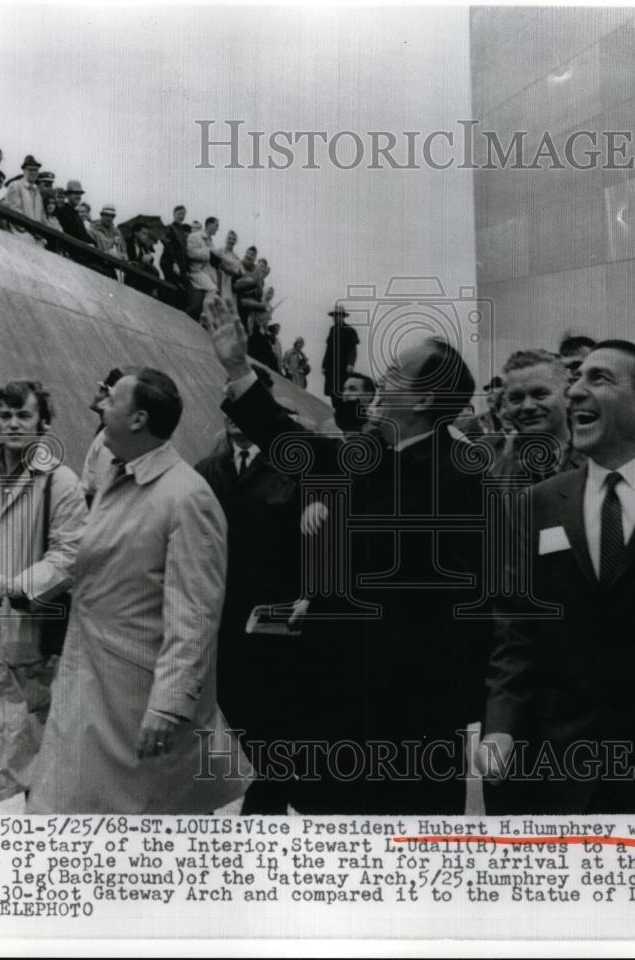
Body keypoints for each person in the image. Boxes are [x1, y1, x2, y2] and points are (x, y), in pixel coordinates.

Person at [205, 296, 489, 814]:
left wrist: (330, 602)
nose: (380, 380)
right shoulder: (375, 454)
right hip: (343, 702)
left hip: (406, 723)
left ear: (424, 400)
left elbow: (430, 597)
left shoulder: (459, 477)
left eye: (396, 374)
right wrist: (238, 368)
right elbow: (295, 447)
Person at [477, 340, 635, 814]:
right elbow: (517, 628)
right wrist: (500, 726)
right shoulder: (533, 502)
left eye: (597, 379)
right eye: (576, 381)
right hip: (558, 758)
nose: (575, 392)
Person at [28, 368, 248, 813]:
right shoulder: (114, 468)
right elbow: (88, 552)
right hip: (92, 682)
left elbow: (195, 616)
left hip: (138, 702)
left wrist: (169, 706)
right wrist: (27, 585)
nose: (99, 406)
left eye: (111, 400)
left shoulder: (188, 498)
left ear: (138, 419)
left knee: (137, 823)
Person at [0, 380, 87, 809]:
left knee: (34, 743)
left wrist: (19, 583)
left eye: (23, 416)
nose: (13, 424)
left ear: (42, 423)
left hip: (29, 631)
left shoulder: (61, 482)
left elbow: (70, 554)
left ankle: (35, 834)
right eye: (6, 416)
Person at [195, 411, 303, 813]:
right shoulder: (205, 472)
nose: (235, 417)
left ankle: (263, 829)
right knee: (212, 734)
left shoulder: (291, 471)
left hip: (272, 634)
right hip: (217, 627)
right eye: (227, 409)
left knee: (269, 741)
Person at [491, 350, 585, 481]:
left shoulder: (600, 459)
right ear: (506, 404)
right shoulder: (496, 473)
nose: (528, 406)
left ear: (567, 395)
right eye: (516, 398)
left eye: (540, 394)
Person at [79, 368, 122, 507]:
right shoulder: (105, 428)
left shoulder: (108, 438)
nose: (97, 394)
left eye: (101, 389)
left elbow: (100, 492)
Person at [322, 307, 359, 409]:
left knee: (342, 391)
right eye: (334, 316)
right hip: (331, 366)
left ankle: (343, 414)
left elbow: (353, 350)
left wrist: (351, 364)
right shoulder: (332, 330)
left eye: (338, 316)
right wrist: (324, 365)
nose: (335, 318)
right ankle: (335, 411)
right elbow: (328, 349)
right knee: (332, 391)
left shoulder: (350, 331)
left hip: (343, 367)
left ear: (343, 317)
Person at [185, 216, 220, 319]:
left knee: (215, 291)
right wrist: (207, 252)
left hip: (205, 273)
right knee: (212, 289)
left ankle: (206, 316)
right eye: (216, 225)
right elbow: (190, 253)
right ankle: (205, 317)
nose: (217, 228)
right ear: (209, 224)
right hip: (195, 271)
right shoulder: (195, 236)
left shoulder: (211, 242)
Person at [455, 376, 506, 447]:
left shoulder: (514, 420)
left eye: (493, 393)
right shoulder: (476, 420)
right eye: (488, 393)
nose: (489, 396)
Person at [160, 205, 192, 308]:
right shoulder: (170, 228)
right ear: (174, 214)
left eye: (183, 214)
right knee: (172, 286)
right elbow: (167, 244)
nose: (181, 216)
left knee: (183, 289)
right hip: (169, 261)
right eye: (179, 214)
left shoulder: (182, 231)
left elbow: (184, 251)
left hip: (180, 264)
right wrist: (173, 262)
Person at [2, 155, 46, 223]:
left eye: (36, 170)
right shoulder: (15, 186)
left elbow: (42, 216)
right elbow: (14, 211)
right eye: (30, 170)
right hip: (19, 230)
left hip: (35, 231)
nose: (33, 172)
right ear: (24, 170)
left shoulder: (37, 193)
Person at [55, 180, 95, 246]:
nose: (78, 196)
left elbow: (84, 234)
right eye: (75, 194)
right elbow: (72, 233)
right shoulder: (62, 211)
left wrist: (94, 243)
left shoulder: (76, 214)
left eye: (80, 194)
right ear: (67, 196)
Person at [216, 229, 243, 309]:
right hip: (220, 279)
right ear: (226, 239)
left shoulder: (236, 257)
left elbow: (238, 272)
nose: (231, 241)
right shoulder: (219, 251)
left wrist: (227, 268)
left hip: (230, 283)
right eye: (229, 238)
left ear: (236, 242)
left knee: (227, 305)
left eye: (233, 239)